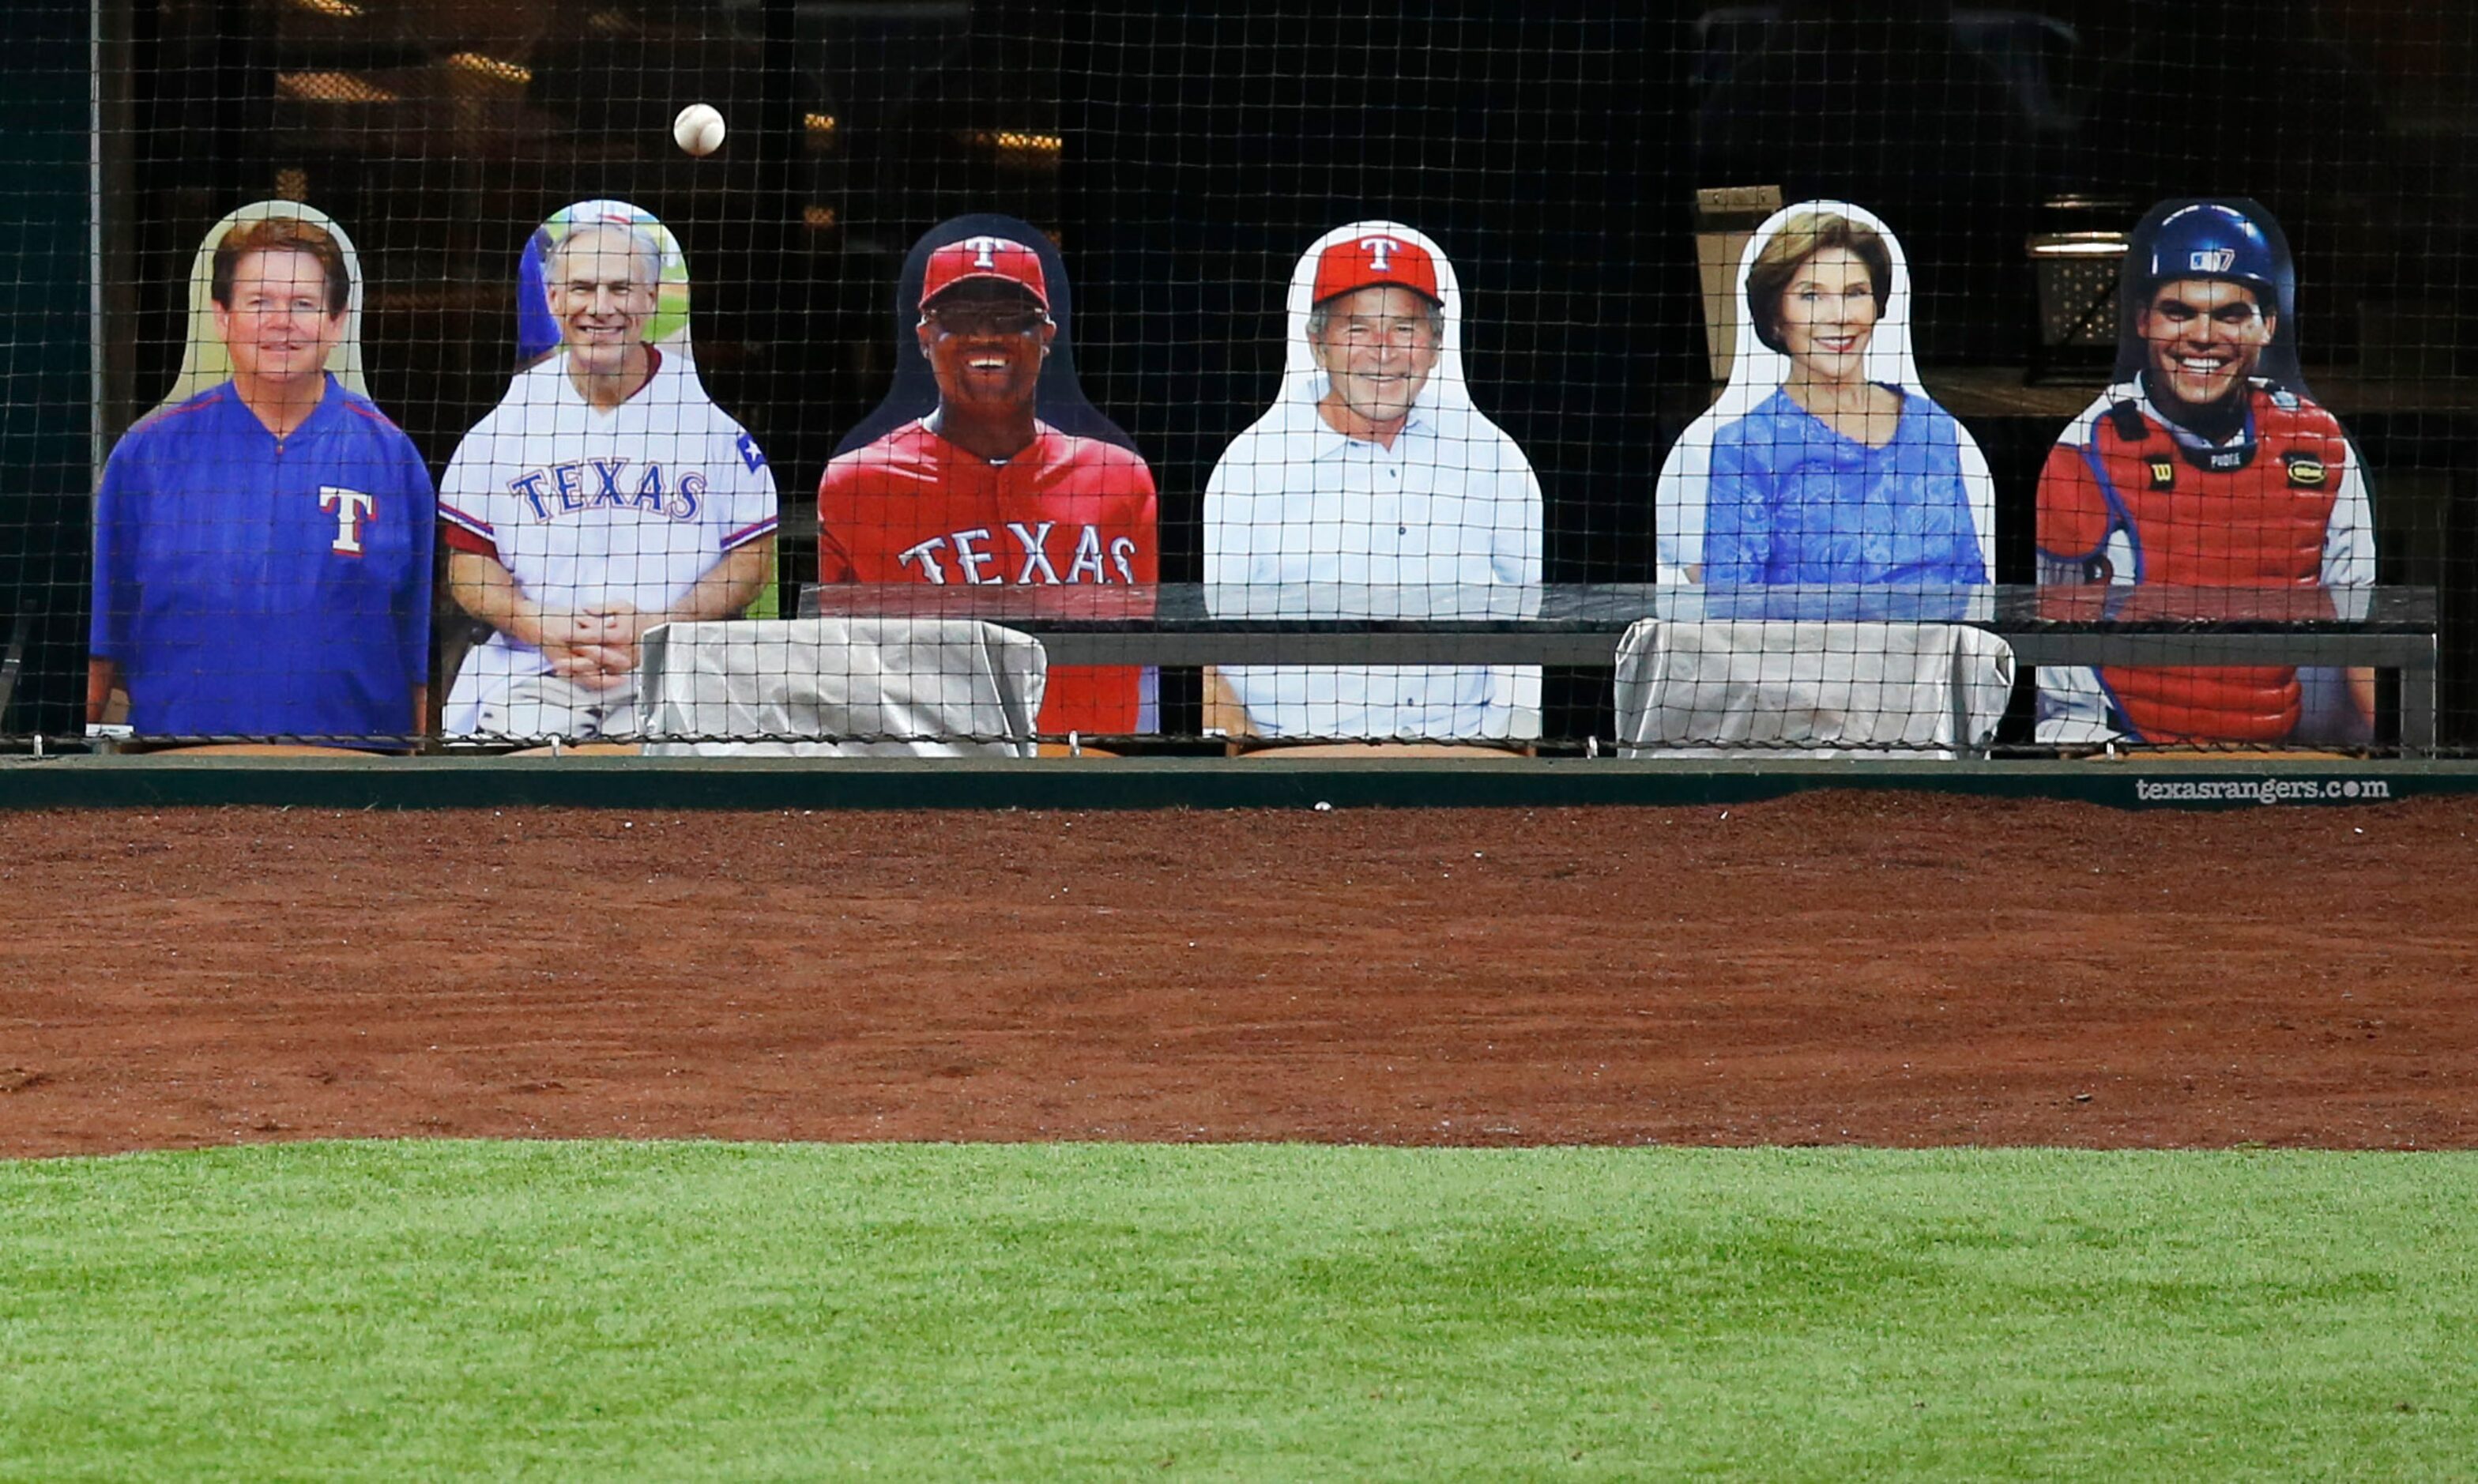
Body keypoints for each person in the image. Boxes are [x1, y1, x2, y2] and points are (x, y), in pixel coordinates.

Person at [88, 206, 434, 746]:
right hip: (179, 772)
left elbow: (418, 651)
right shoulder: (147, 456)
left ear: (337, 321)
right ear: (222, 317)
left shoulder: (392, 457)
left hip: (357, 775)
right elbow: (100, 641)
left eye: (303, 304)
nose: (282, 322)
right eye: (260, 303)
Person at [2036, 199, 2374, 746]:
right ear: (2143, 320)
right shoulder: (2086, 451)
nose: (2202, 336)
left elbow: (2362, 625)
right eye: (2179, 311)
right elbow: (2060, 654)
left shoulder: (2320, 442)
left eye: (2229, 315)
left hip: (2279, 756)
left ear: (2267, 325)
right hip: (2124, 751)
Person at [440, 202, 778, 740]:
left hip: (676, 672)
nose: (600, 308)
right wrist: (541, 627)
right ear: (552, 299)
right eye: (581, 289)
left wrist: (666, 627)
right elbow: (469, 565)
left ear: (650, 300)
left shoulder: (715, 431)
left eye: (620, 289)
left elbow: (753, 560)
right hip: (533, 668)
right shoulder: (498, 431)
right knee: (524, 780)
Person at [1203, 222, 1542, 743]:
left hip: (1460, 760)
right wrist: (1253, 768)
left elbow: (1536, 624)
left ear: (1435, 345)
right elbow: (1209, 647)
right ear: (1318, 344)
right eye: (1356, 329)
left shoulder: (1493, 458)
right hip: (1295, 761)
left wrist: (1512, 747)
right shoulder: (1251, 466)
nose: (1382, 351)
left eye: (1405, 329)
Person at [815, 231, 1158, 737]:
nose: (985, 335)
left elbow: (1143, 647)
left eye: (1011, 317)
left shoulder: (1119, 478)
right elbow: (835, 662)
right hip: (924, 771)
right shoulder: (858, 484)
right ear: (925, 337)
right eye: (958, 318)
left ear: (1046, 335)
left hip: (1087, 772)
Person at [1658, 202, 1994, 588]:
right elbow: (1733, 612)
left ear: (1877, 305)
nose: (1839, 315)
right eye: (1811, 296)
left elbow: (1972, 581)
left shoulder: (1933, 427)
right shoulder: (1745, 447)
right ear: (1775, 317)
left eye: (1855, 292)